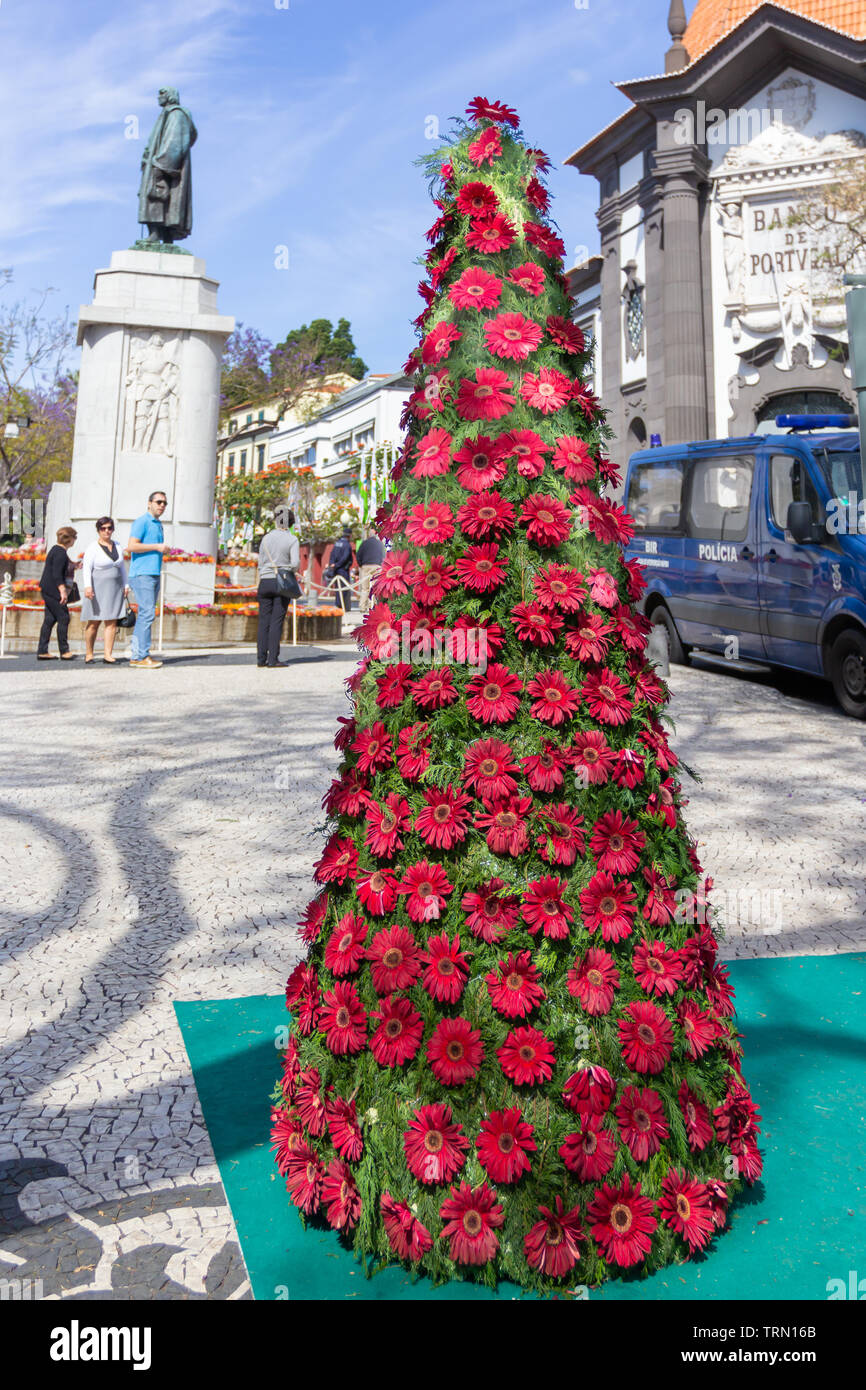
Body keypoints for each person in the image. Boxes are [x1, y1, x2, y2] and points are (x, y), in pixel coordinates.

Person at [127, 490, 167, 669]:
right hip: (142, 574)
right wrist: (157, 546)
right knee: (147, 613)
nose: (162, 506)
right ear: (149, 503)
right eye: (158, 502)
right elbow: (132, 546)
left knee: (146, 614)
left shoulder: (158, 524)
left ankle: (138, 654)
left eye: (164, 503)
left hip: (153, 573)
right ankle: (140, 655)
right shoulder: (142, 521)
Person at [81, 517, 130, 665]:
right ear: (98, 530)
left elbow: (121, 567)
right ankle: (89, 653)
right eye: (103, 528)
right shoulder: (92, 547)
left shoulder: (118, 545)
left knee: (112, 621)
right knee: (94, 622)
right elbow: (86, 568)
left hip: (115, 587)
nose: (107, 531)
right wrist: (87, 586)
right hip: (97, 587)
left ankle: (108, 654)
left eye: (109, 528)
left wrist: (126, 584)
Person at [256, 505, 300, 668]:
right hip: (282, 581)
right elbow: (295, 563)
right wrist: (290, 569)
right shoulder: (292, 539)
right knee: (276, 621)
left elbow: (260, 562)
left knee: (263, 621)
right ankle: (273, 659)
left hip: (265, 580)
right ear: (290, 523)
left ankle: (261, 658)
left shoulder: (266, 538)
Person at [37, 527, 79, 661]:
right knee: (64, 617)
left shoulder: (56, 550)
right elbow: (57, 573)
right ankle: (64, 650)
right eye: (74, 538)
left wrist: (75, 565)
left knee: (49, 619)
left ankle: (42, 650)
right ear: (70, 539)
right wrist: (63, 591)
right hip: (54, 590)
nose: (75, 541)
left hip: (46, 588)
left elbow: (60, 567)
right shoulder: (60, 552)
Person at [325, 525, 355, 612]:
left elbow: (331, 554)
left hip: (336, 569)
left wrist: (332, 564)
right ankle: (340, 606)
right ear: (349, 535)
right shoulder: (347, 545)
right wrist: (337, 565)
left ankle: (338, 604)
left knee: (338, 588)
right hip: (343, 570)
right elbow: (345, 558)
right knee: (343, 589)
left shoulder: (337, 543)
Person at [356, 527, 384, 612]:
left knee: (365, 588)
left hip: (366, 566)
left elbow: (358, 555)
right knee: (376, 588)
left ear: (369, 535)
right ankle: (375, 606)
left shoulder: (364, 543)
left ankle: (362, 607)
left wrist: (361, 564)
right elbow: (383, 556)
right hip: (376, 566)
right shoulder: (380, 544)